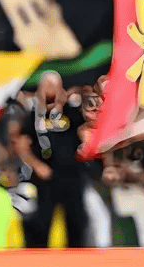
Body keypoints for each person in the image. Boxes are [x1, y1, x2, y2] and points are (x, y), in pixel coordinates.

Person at [14, 71, 89, 247]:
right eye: (47, 86)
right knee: (40, 223)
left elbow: (86, 134)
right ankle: (37, 259)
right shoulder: (33, 116)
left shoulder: (72, 112)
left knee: (76, 222)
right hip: (44, 176)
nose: (50, 90)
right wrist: (36, 165)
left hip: (72, 174)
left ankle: (78, 258)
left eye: (54, 86)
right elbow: (20, 144)